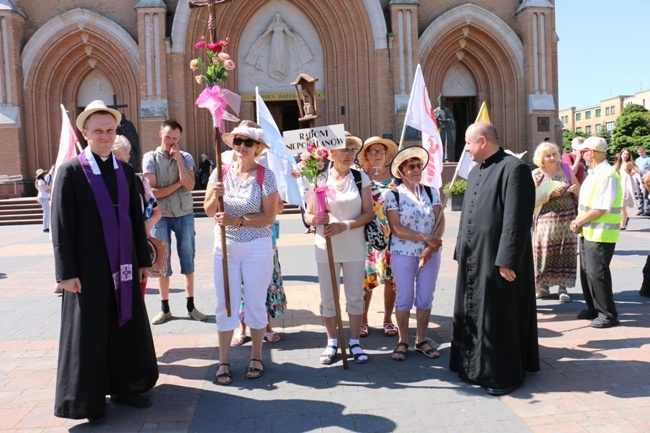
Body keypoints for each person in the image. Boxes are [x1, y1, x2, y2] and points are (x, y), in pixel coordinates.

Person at [51, 100, 158, 424]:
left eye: (110, 130)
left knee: (124, 325)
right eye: (98, 131)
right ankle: (89, 400)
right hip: (89, 270)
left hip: (124, 266)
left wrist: (142, 260)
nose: (105, 136)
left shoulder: (125, 171)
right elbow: (61, 225)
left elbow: (134, 220)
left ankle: (127, 386)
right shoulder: (70, 172)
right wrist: (66, 273)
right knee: (91, 331)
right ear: (85, 133)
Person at [450, 121, 539, 396]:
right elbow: (467, 214)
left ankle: (504, 374)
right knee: (471, 312)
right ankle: (472, 367)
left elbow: (517, 217)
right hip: (473, 255)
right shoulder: (476, 170)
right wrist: (460, 249)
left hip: (497, 259)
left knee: (498, 315)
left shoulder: (515, 169)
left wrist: (508, 259)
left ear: (483, 141)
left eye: (468, 143)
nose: (465, 149)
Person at [204, 120, 280, 385]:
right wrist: (216, 194)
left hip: (256, 247)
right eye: (238, 141)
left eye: (249, 142)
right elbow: (209, 211)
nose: (242, 146)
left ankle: (256, 356)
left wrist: (237, 221)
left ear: (257, 147)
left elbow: (269, 215)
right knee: (226, 303)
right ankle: (223, 360)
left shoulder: (265, 175)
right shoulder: (220, 172)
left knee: (256, 303)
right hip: (224, 247)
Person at [304, 133, 374, 365]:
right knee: (328, 297)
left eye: (352, 150)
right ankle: (332, 341)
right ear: (330, 153)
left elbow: (368, 213)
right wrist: (316, 220)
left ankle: (354, 341)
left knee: (355, 295)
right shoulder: (318, 177)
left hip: (353, 245)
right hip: (326, 245)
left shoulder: (360, 177)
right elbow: (308, 214)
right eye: (343, 149)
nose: (348, 154)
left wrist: (344, 225)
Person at [143, 120, 206, 324]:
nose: (171, 142)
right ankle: (165, 308)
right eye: (168, 137)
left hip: (184, 213)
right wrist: (179, 182)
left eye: (175, 139)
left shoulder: (185, 156)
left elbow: (189, 186)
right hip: (160, 215)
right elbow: (153, 191)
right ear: (160, 133)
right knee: (162, 262)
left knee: (188, 257)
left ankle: (190, 306)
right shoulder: (150, 158)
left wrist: (179, 161)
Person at [384, 147, 444, 361]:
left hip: (431, 254)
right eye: (411, 166)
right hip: (404, 253)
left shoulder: (431, 191)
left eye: (419, 165)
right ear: (401, 171)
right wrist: (427, 239)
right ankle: (403, 340)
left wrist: (431, 247)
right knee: (404, 298)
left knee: (425, 297)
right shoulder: (392, 194)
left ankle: (421, 339)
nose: (417, 169)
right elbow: (397, 228)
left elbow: (440, 221)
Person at [230, 150, 287, 345]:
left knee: (265, 283)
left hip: (264, 237)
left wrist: (267, 206)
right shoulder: (230, 169)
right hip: (236, 240)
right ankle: (242, 326)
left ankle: (267, 325)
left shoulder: (266, 173)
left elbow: (279, 207)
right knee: (240, 284)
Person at [570, 137, 622, 328]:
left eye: (583, 152)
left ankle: (607, 315)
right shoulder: (595, 173)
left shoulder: (607, 175)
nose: (581, 155)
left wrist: (577, 221)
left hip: (600, 234)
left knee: (597, 273)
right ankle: (593, 308)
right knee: (588, 273)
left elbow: (601, 208)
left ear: (591, 152)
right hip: (589, 232)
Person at [355, 136, 399, 338]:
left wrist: (399, 192)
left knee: (391, 279)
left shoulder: (396, 177)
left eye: (380, 151)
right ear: (366, 155)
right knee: (366, 280)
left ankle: (388, 320)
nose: (377, 155)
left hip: (392, 236)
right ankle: (363, 321)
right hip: (367, 237)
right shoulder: (359, 178)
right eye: (373, 151)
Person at [113, 135, 162, 296]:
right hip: (110, 251)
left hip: (135, 249)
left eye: (119, 159)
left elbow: (156, 212)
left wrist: (147, 225)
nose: (115, 164)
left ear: (128, 158)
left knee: (135, 299)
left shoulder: (139, 182)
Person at [531, 142, 580, 303]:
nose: (552, 158)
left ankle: (562, 287)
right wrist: (550, 195)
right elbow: (531, 199)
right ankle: (543, 286)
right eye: (547, 155)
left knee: (565, 252)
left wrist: (575, 189)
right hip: (545, 220)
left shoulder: (566, 168)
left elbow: (579, 189)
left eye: (554, 154)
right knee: (544, 252)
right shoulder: (537, 174)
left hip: (567, 218)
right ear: (541, 158)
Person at [613, 148, 637, 230]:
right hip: (618, 188)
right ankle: (624, 220)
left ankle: (623, 225)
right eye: (624, 154)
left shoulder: (629, 164)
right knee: (619, 207)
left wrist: (640, 184)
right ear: (621, 154)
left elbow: (636, 172)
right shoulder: (617, 164)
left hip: (626, 188)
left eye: (627, 154)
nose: (625, 155)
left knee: (622, 207)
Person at [434, 95, 457, 162]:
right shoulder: (435, 111)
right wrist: (436, 119)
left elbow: (452, 120)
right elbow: (432, 121)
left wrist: (447, 120)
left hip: (447, 130)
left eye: (442, 101)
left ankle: (447, 158)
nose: (441, 102)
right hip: (439, 130)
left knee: (447, 144)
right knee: (440, 143)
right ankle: (439, 158)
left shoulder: (447, 110)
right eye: (440, 101)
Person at [635, 145, 650, 216]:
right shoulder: (637, 160)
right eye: (639, 152)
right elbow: (635, 169)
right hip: (638, 178)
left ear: (644, 151)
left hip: (646, 179)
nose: (640, 154)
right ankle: (641, 209)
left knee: (645, 194)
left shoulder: (648, 159)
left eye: (641, 152)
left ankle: (647, 209)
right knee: (639, 194)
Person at [35, 168, 51, 233]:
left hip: (43, 197)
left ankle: (46, 227)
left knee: (46, 212)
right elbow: (46, 190)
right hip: (44, 198)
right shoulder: (41, 181)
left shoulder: (39, 181)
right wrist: (53, 189)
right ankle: (45, 227)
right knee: (46, 213)